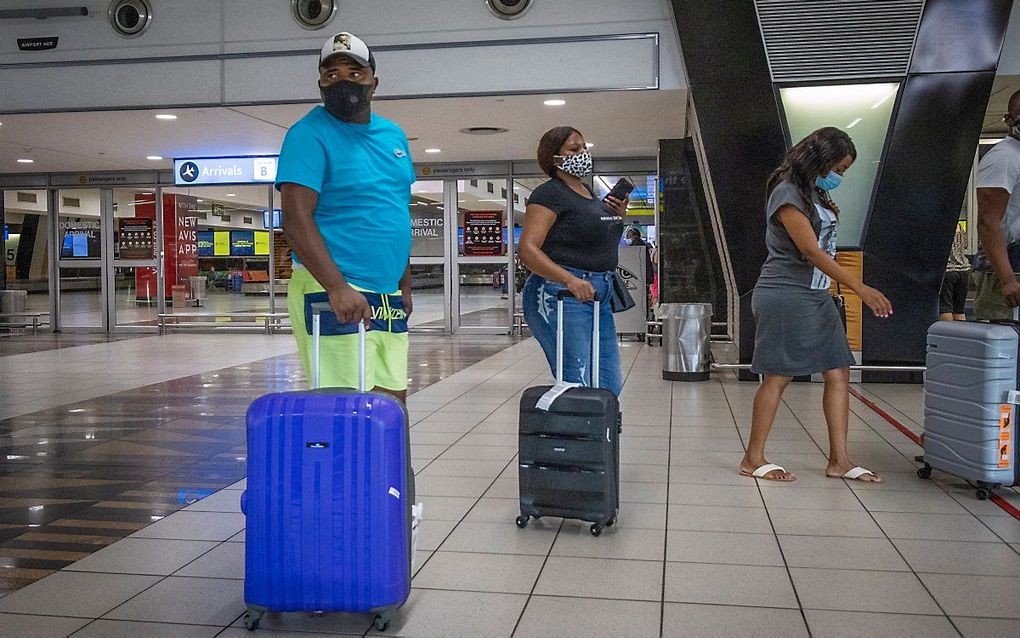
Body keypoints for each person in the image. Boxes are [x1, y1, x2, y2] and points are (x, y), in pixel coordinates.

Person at [739, 127, 893, 483]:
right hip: (785, 294)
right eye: (838, 169)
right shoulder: (787, 194)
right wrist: (860, 287)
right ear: (819, 161)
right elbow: (810, 250)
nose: (840, 176)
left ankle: (840, 460)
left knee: (838, 370)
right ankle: (752, 458)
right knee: (779, 376)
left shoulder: (814, 194)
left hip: (815, 294)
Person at [277, 31, 416, 402]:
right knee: (346, 406)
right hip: (335, 287)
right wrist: (337, 287)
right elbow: (294, 218)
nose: (342, 81)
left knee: (391, 400)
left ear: (374, 81)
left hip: (386, 292)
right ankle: (349, 464)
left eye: (354, 73)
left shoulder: (393, 135)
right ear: (321, 84)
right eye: (331, 74)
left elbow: (396, 209)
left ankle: (394, 464)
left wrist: (403, 281)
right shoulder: (308, 134)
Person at [518, 127, 629, 395]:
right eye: (574, 149)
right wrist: (569, 279)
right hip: (563, 293)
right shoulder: (549, 194)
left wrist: (620, 217)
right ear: (554, 157)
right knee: (577, 382)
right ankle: (576, 435)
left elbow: (598, 245)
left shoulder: (589, 194)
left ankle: (602, 435)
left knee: (607, 383)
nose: (583, 154)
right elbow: (527, 249)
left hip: (598, 293)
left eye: (584, 147)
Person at [973, 90, 1020, 320]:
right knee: (1006, 347)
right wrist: (1007, 278)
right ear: (1009, 119)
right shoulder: (1004, 158)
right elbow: (987, 221)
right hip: (1007, 272)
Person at [939, 222, 971, 321]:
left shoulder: (939, 226)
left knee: (945, 309)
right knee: (959, 310)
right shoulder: (959, 226)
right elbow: (965, 244)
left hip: (947, 270)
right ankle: (961, 335)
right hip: (964, 270)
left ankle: (947, 335)